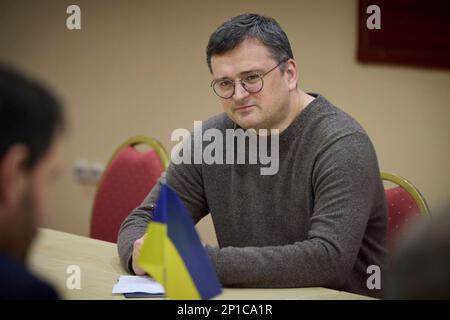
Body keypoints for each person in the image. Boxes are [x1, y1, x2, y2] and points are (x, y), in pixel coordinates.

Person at [118, 13, 387, 298]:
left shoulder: (342, 143)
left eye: (251, 78)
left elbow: (328, 259)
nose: (238, 94)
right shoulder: (211, 140)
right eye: (225, 83)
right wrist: (141, 251)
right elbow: (143, 220)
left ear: (290, 74)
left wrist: (198, 261)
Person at [0, 66, 64, 299]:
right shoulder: (25, 292)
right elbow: (141, 216)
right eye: (47, 179)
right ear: (13, 173)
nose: (46, 217)